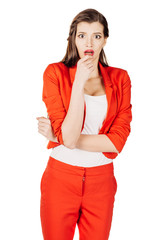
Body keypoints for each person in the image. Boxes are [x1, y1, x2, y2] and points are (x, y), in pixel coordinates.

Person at [36, 8, 132, 240]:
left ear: (105, 40)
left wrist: (58, 137)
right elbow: (70, 138)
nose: (89, 42)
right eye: (82, 35)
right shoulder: (55, 74)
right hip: (60, 180)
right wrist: (78, 81)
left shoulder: (120, 79)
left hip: (102, 183)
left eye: (96, 36)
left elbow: (117, 141)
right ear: (73, 38)